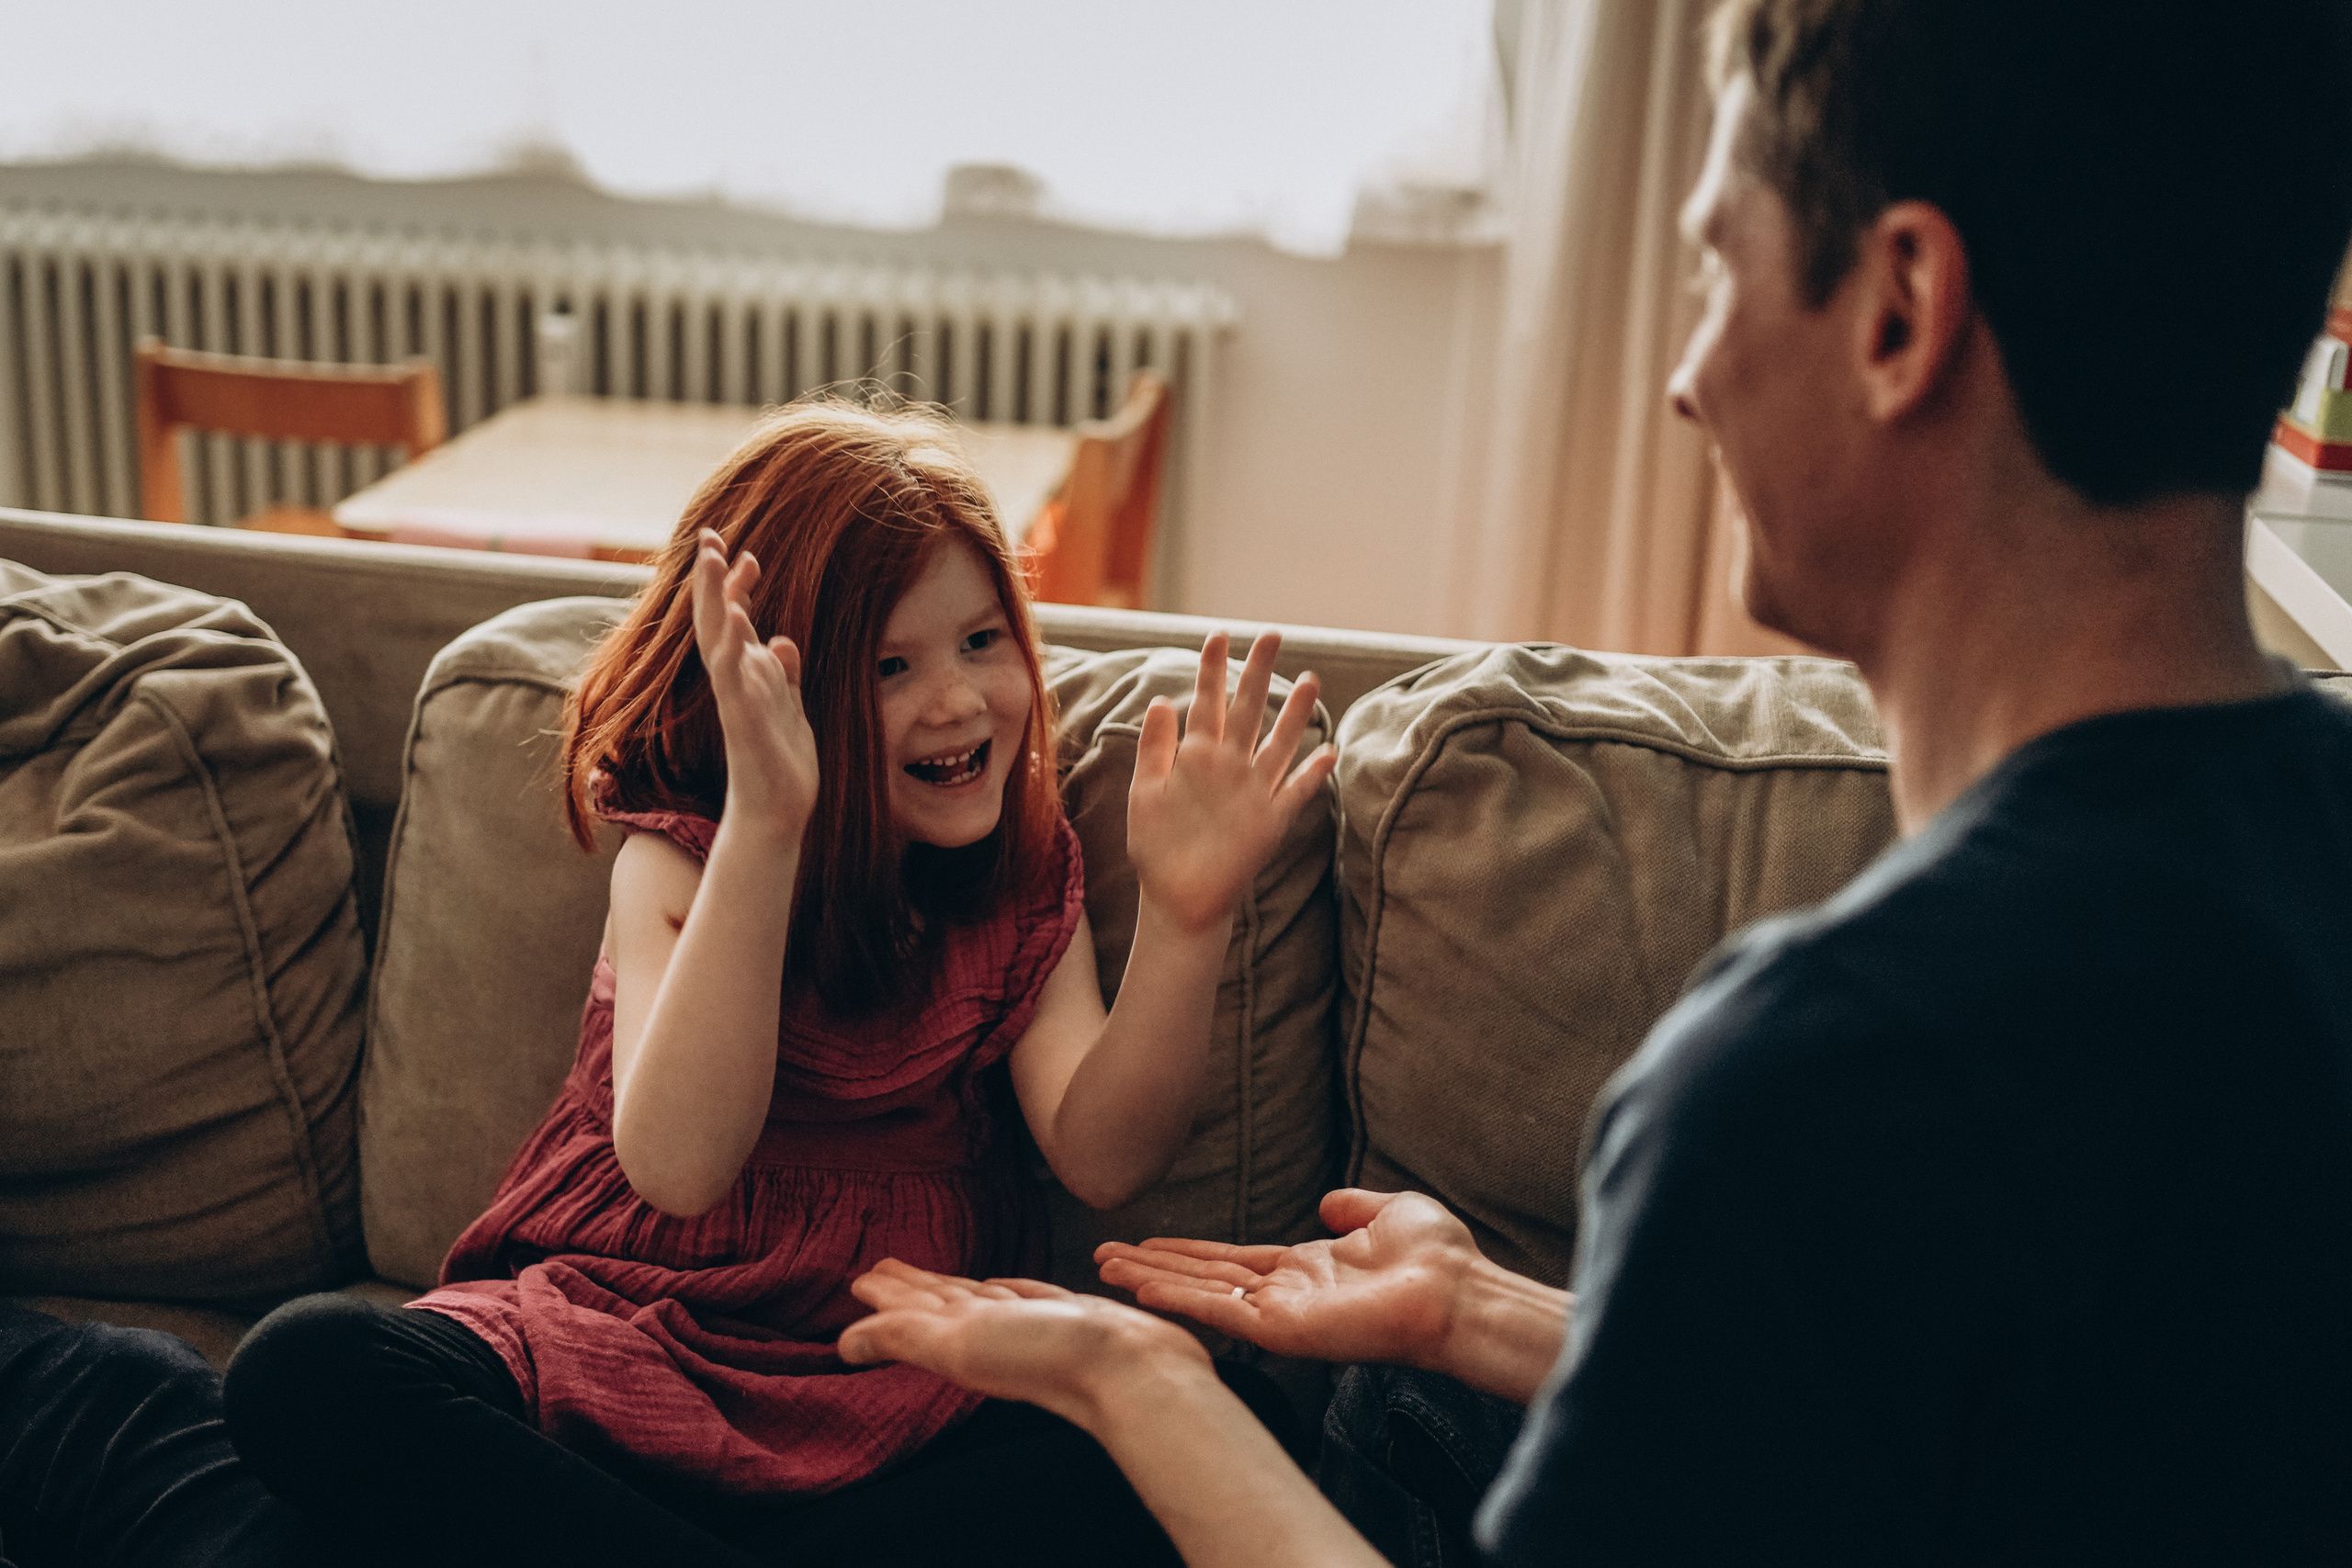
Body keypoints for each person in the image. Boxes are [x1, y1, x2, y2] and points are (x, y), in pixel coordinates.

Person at [836, 1, 2352, 1563]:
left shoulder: (1816, 1081)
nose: (1689, 379)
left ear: (1900, 312)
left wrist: (1137, 1381)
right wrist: (1484, 1312)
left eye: (1717, 270)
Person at [214, 400, 1334, 1565]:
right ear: (772, 690)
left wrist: (1187, 915)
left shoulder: (1017, 874)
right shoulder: (683, 857)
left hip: (894, 1382)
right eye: (889, 667)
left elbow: (1103, 1156)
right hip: (621, 1339)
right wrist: (765, 823)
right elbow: (680, 1166)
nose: (956, 701)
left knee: (1229, 1424)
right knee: (306, 1368)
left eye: (981, 641)